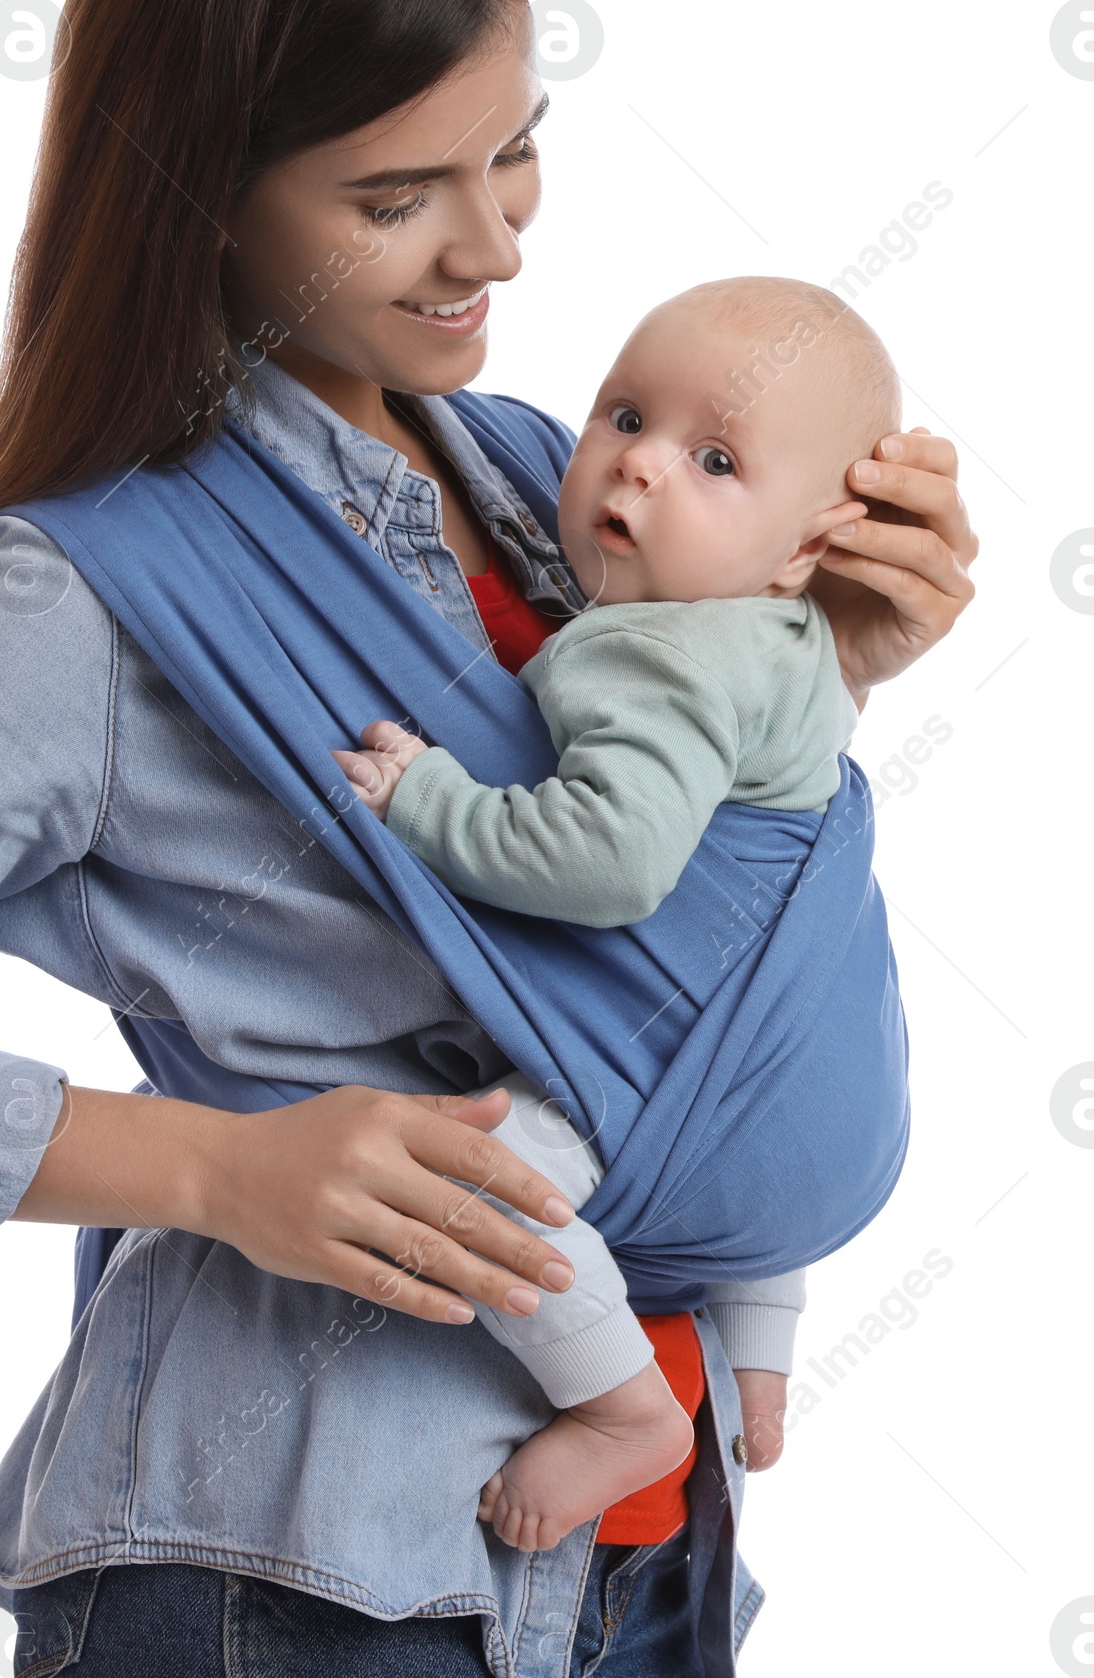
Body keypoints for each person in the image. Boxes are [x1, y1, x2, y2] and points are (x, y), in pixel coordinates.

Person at [0, 3, 978, 1673]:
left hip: (647, 1556)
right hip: (302, 1562)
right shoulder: (72, 598)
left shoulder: (549, 475)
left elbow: (639, 934)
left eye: (519, 147)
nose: (495, 245)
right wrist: (222, 1169)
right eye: (397, 194)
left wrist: (829, 665)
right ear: (202, 192)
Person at [332, 274, 900, 1553]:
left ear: (809, 543)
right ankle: (753, 1365)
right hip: (827, 1097)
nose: (637, 469)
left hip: (695, 1078)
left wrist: (432, 801)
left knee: (488, 1189)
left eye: (712, 459)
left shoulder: (650, 651)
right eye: (623, 415)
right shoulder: (799, 638)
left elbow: (612, 863)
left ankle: (623, 1411)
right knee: (741, 1077)